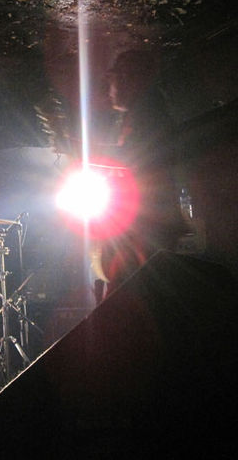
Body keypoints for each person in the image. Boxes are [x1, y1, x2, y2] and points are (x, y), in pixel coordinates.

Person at [95, 49, 188, 297]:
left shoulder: (149, 113)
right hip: (143, 225)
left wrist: (92, 153)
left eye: (113, 78)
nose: (110, 87)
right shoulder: (142, 112)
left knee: (137, 293)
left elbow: (140, 157)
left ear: (129, 79)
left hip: (145, 226)